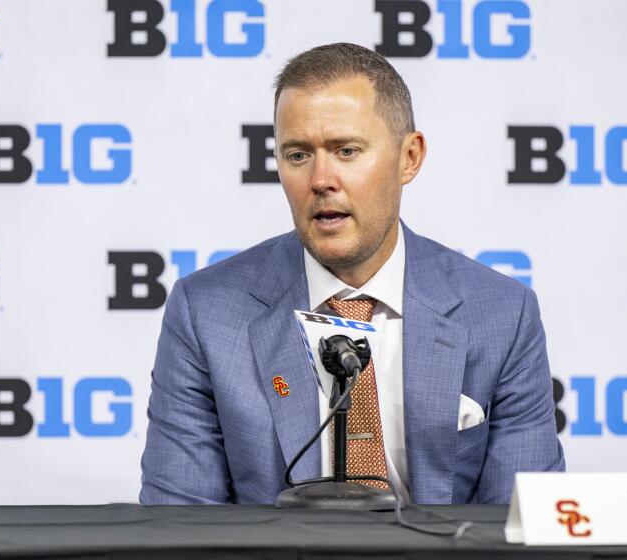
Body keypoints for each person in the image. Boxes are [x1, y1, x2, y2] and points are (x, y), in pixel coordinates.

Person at [140, 43, 564, 505]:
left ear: (410, 157)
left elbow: (523, 522)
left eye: (346, 150)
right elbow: (179, 524)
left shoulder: (502, 315)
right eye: (298, 155)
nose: (321, 179)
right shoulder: (206, 314)